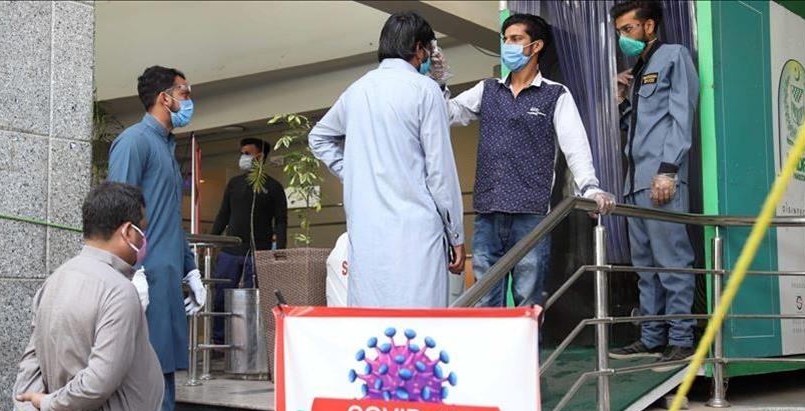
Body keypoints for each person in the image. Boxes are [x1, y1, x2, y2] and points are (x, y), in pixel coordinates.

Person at [438, 13, 615, 308]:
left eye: (516, 39)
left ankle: (528, 342)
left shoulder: (555, 94)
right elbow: (448, 114)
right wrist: (438, 83)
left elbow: (575, 147)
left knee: (527, 301)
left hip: (531, 214)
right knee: (484, 300)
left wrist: (590, 187)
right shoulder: (487, 89)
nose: (508, 45)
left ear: (536, 46)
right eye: (505, 39)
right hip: (488, 211)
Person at [13, 182, 173, 411]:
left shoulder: (54, 281)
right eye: (142, 230)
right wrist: (45, 406)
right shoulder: (119, 291)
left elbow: (29, 367)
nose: (144, 239)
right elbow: (98, 382)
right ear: (128, 232)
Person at [309, 10, 465, 308]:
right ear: (419, 49)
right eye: (428, 49)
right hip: (416, 231)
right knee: (418, 322)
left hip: (367, 232)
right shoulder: (426, 91)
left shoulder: (357, 90)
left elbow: (318, 137)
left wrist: (352, 173)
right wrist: (456, 234)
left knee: (371, 319)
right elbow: (440, 172)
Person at [107, 65, 205, 411]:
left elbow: (169, 217)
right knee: (147, 381)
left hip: (166, 279)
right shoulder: (134, 142)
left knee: (163, 376)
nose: (189, 100)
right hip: (144, 281)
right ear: (165, 98)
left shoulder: (166, 147)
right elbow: (118, 211)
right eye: (184, 92)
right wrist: (130, 272)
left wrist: (191, 268)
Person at [606, 1, 699, 369]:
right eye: (619, 31)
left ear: (649, 26)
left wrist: (668, 170)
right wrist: (620, 99)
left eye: (628, 29)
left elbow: (682, 115)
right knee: (645, 267)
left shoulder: (674, 56)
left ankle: (681, 340)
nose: (623, 37)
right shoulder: (637, 71)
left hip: (662, 178)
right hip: (635, 182)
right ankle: (651, 337)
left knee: (672, 262)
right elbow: (635, 127)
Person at [210, 138, 287, 342]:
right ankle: (219, 341)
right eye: (241, 153)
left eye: (247, 153)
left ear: (259, 157)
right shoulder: (234, 184)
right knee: (221, 297)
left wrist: (279, 252)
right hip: (230, 251)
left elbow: (281, 222)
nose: (242, 157)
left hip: (258, 253)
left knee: (253, 300)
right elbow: (223, 215)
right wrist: (211, 241)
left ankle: (251, 343)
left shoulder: (274, 187)